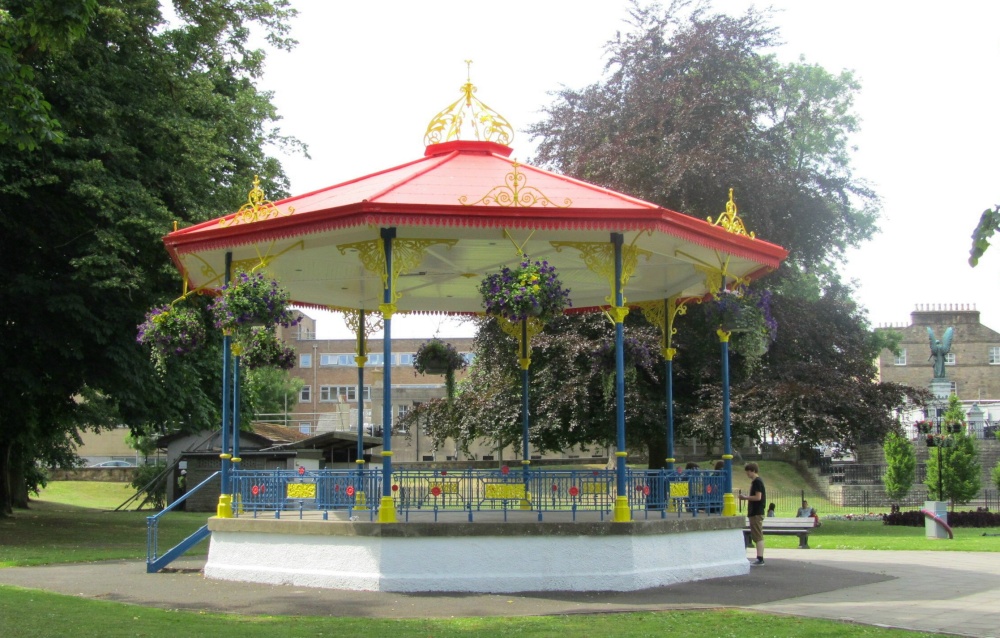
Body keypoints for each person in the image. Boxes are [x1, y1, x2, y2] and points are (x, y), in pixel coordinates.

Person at [739, 462, 766, 566]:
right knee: (757, 535)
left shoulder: (757, 482)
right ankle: (759, 558)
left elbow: (758, 497)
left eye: (748, 472)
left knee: (758, 536)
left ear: (753, 471)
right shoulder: (756, 482)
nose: (747, 475)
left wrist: (745, 497)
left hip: (756, 512)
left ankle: (760, 558)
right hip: (754, 512)